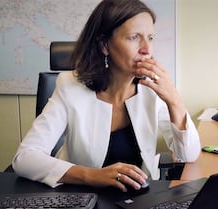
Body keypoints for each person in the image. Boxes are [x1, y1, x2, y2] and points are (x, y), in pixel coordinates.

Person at [12, 0, 201, 192]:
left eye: (150, 37)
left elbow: (188, 155)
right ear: (104, 45)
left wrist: (174, 100)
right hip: (82, 197)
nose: (147, 49)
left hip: (140, 198)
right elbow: (25, 158)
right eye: (134, 37)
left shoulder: (152, 89)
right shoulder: (69, 85)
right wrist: (92, 175)